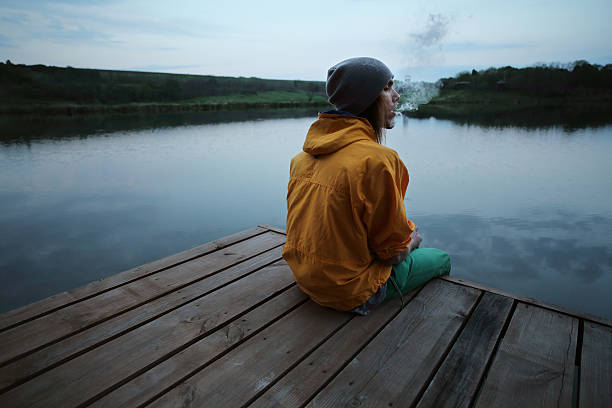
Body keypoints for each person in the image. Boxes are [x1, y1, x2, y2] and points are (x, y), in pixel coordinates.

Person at [282, 57, 450, 315]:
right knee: (441, 258)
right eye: (386, 88)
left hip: (306, 280)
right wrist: (412, 241)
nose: (396, 96)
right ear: (366, 99)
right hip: (351, 292)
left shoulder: (301, 159)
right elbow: (392, 254)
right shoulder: (378, 160)